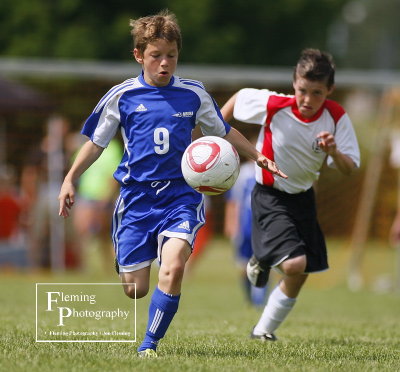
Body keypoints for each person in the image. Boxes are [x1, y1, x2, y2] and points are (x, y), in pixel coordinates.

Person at [58, 10, 286, 358]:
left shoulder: (193, 94)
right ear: (139, 56)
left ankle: (148, 345)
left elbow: (223, 131)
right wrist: (70, 178)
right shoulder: (122, 96)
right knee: (134, 289)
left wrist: (257, 156)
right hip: (136, 199)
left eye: (171, 56)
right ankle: (138, 261)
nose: (165, 64)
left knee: (175, 264)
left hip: (181, 196)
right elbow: (96, 143)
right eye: (156, 56)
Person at [221, 48, 360, 341]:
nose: (308, 100)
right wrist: (213, 133)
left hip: (304, 198)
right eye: (302, 90)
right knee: (294, 263)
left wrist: (334, 151)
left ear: (330, 90)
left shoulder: (336, 117)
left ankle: (263, 330)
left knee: (302, 270)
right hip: (270, 195)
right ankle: (263, 256)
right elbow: (237, 100)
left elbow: (349, 168)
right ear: (294, 83)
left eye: (317, 93)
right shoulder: (275, 105)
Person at [224, 149, 267, 308]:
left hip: (264, 227)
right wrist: (230, 223)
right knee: (244, 266)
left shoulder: (270, 172)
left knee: (263, 262)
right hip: (244, 227)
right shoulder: (242, 174)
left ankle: (259, 301)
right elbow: (233, 201)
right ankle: (250, 296)